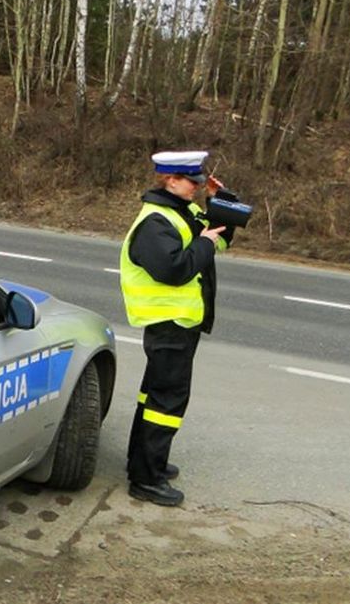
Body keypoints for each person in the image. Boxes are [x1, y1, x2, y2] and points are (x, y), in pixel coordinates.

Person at [119, 150, 233, 507]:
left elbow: (220, 240)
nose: (198, 187)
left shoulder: (180, 212)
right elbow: (174, 269)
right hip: (169, 324)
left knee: (154, 396)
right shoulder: (155, 223)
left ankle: (143, 463)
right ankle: (146, 479)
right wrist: (204, 243)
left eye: (200, 182)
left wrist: (222, 204)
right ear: (170, 180)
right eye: (193, 181)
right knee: (165, 401)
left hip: (180, 323)